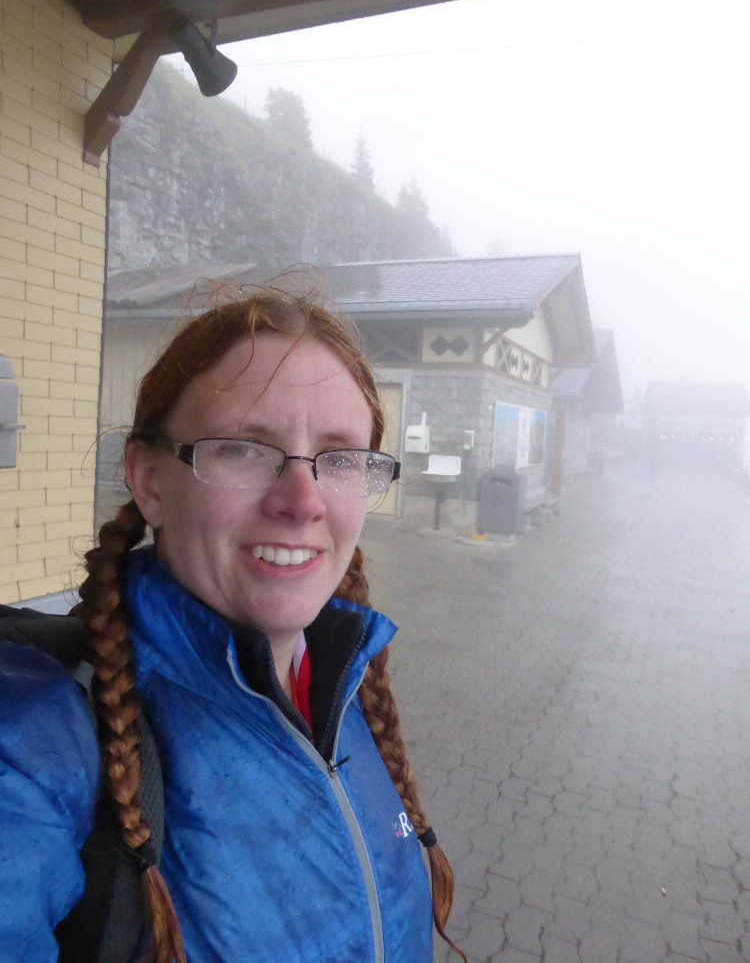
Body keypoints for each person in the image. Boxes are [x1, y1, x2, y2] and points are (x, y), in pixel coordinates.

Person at [0, 284, 465, 962]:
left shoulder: (345, 691)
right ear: (150, 480)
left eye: (339, 458)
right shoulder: (41, 746)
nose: (303, 501)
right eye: (244, 449)